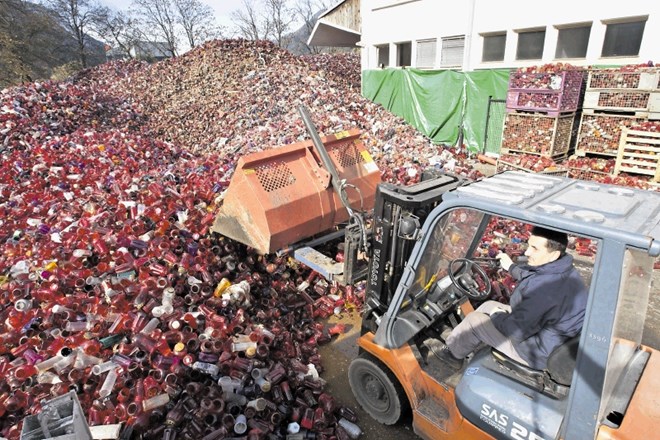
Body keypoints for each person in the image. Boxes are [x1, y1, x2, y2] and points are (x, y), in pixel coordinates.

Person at [438, 226, 589, 370]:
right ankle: (466, 343)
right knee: (489, 305)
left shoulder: (544, 292)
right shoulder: (562, 269)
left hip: (535, 353)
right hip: (548, 337)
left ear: (554, 254)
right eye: (529, 245)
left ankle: (452, 355)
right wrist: (511, 268)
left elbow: (516, 331)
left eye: (535, 249)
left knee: (474, 321)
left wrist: (498, 315)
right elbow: (537, 276)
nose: (527, 252)